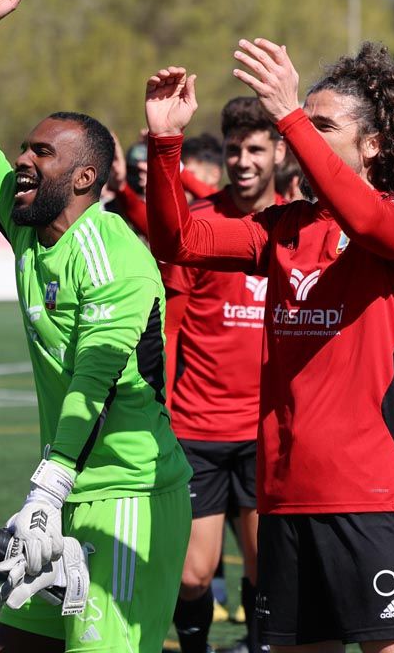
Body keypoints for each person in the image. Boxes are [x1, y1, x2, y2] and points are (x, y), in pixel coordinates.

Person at [146, 37, 394, 652]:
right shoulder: (284, 227)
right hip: (284, 495)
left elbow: (366, 223)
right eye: (303, 120)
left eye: (321, 123)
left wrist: (287, 113)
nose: (302, 131)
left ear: (373, 144)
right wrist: (165, 143)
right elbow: (176, 241)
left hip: (372, 493)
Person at [0, 0, 192, 653]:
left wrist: (46, 491)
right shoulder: (30, 224)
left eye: (40, 153)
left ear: (84, 178)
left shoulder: (113, 255)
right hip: (66, 487)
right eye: (24, 148)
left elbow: (99, 379)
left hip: (128, 499)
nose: (22, 160)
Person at [162, 96, 285, 653]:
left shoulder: (295, 226)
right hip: (199, 428)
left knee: (267, 569)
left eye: (256, 148)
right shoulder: (200, 227)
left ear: (280, 152)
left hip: (268, 431)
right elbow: (170, 331)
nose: (243, 160)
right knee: (192, 575)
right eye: (234, 148)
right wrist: (162, 411)